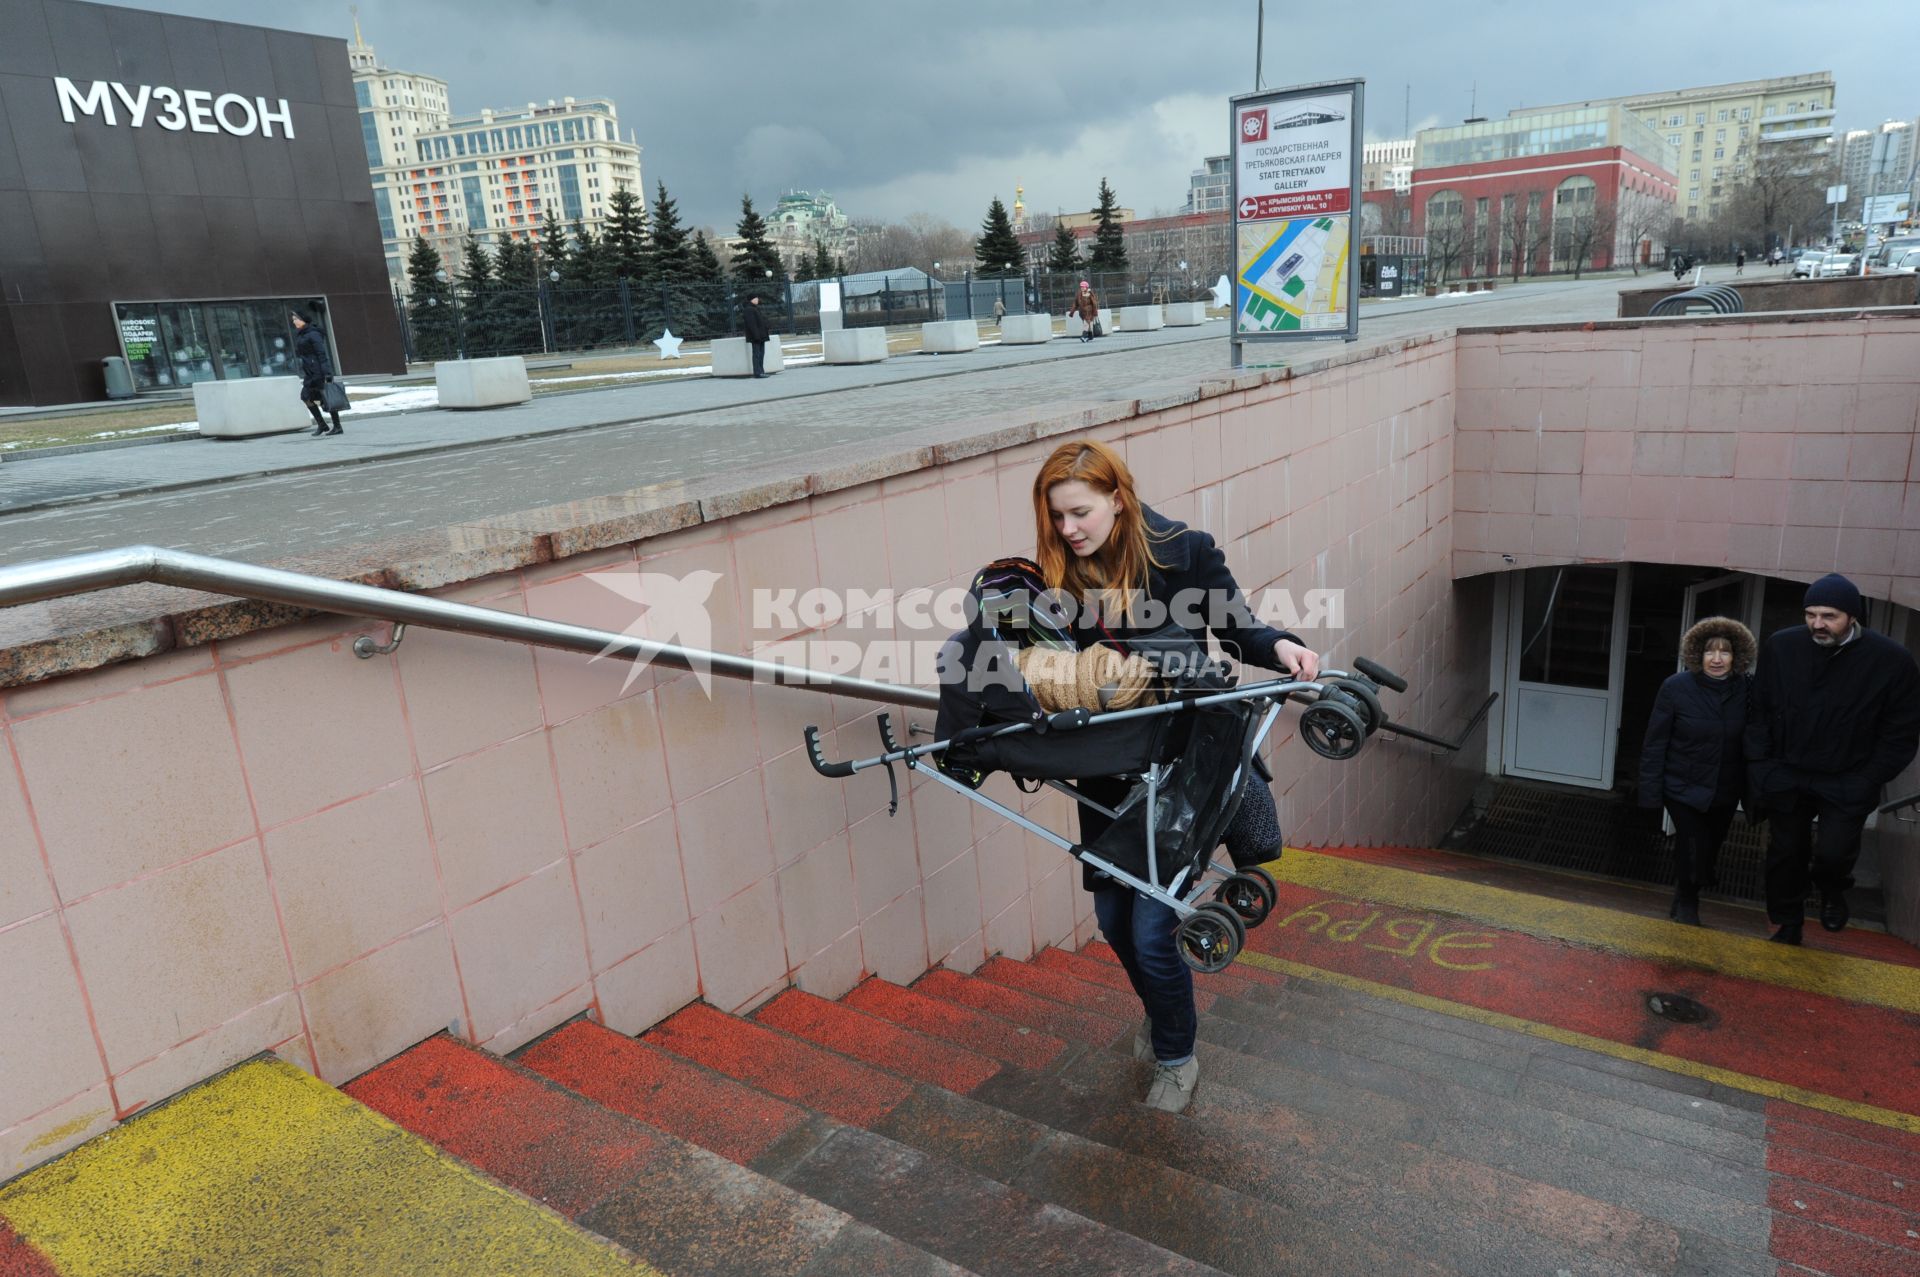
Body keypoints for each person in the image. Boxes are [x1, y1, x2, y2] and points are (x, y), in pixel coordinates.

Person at [1031, 439, 1319, 1112]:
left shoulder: (1184, 552)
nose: (1067, 530)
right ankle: (1163, 1018)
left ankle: (1177, 1056)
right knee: (1111, 918)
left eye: (1079, 513)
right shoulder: (1058, 579)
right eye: (1057, 519)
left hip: (1188, 769)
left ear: (1117, 499)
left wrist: (1280, 645)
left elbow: (1237, 627)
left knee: (1154, 930)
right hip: (1106, 771)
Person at [1746, 574, 1920, 944]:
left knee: (1833, 854)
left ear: (1853, 616)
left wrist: (1869, 777)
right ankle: (1789, 921)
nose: (1817, 624)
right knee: (1786, 853)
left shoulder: (1892, 661)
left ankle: (1832, 890)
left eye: (1829, 616)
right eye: (1810, 614)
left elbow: (1901, 732)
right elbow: (1759, 709)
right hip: (1788, 772)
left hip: (1848, 777)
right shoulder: (1782, 646)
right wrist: (1763, 766)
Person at [1638, 617, 1756, 926]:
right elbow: (1655, 743)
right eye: (1709, 652)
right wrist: (1650, 794)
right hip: (1682, 786)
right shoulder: (1675, 688)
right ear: (1696, 654)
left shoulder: (1748, 690)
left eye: (1725, 652)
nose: (1716, 660)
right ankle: (1689, 903)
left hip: (1725, 789)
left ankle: (1684, 890)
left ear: (1737, 656)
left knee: (1710, 848)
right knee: (1691, 845)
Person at [291, 308, 341, 436]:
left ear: (302, 320)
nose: (294, 321)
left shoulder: (313, 334)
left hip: (318, 372)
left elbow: (321, 353)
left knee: (326, 397)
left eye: (296, 319)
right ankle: (322, 424)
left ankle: (337, 426)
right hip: (310, 372)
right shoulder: (302, 334)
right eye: (293, 319)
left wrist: (327, 372)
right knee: (306, 397)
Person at [741, 294, 771, 378]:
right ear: (751, 299)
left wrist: (766, 326)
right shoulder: (749, 309)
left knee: (761, 354)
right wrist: (756, 336)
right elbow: (752, 325)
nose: (758, 299)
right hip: (756, 337)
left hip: (761, 335)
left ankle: (761, 371)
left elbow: (760, 321)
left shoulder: (755, 308)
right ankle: (757, 373)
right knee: (757, 354)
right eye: (756, 298)